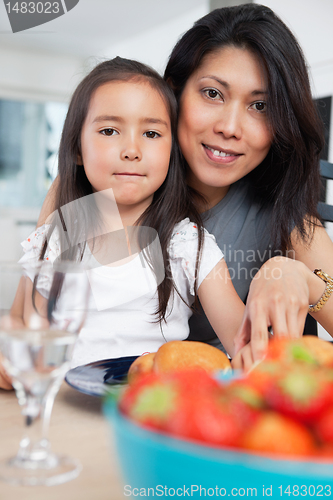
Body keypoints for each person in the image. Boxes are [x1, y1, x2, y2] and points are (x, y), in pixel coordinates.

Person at [1, 56, 245, 383]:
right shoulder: (57, 238)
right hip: (65, 413)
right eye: (109, 130)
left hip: (152, 412)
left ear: (173, 151)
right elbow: (25, 336)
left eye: (151, 133)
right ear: (76, 149)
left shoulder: (188, 244)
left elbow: (247, 349)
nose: (131, 150)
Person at [163, 3, 333, 368]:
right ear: (175, 91)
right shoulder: (109, 186)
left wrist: (298, 275)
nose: (230, 127)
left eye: (260, 106)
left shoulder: (285, 215)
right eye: (212, 94)